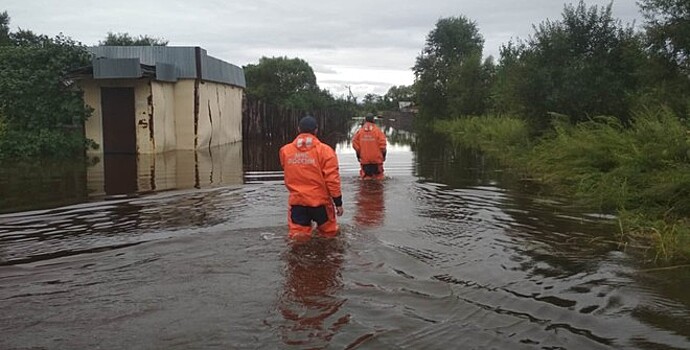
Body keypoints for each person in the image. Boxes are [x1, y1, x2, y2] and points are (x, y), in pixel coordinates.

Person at [279, 115, 344, 240]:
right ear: (316, 130)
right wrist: (338, 203)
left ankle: (299, 258)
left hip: (297, 202)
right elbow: (332, 180)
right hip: (320, 203)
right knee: (329, 237)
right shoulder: (326, 151)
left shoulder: (285, 151)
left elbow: (287, 169)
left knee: (298, 238)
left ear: (298, 129)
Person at [352, 112, 387, 179]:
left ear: (365, 120)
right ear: (373, 120)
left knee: (365, 179)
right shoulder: (378, 131)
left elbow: (355, 144)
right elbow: (383, 146)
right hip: (377, 160)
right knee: (379, 179)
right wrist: (384, 156)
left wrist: (358, 156)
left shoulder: (360, 131)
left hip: (365, 160)